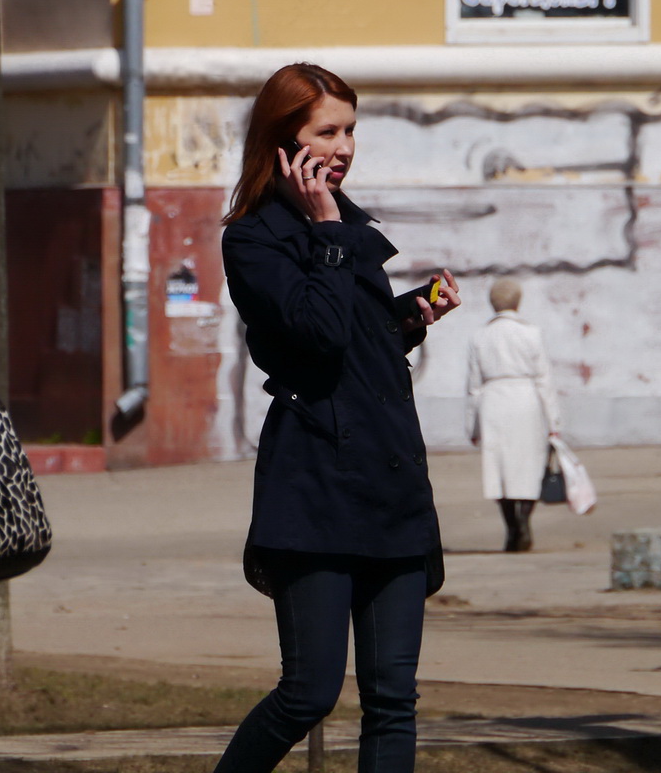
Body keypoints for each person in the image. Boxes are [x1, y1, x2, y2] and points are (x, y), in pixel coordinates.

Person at [217, 62, 460, 773]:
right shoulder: (253, 239)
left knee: (392, 698)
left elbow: (352, 339)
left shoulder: (347, 231)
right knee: (308, 692)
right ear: (283, 139)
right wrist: (326, 228)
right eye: (327, 131)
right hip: (314, 487)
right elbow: (314, 335)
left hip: (388, 487)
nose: (344, 146)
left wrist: (410, 316)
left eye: (350, 130)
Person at [465, 277, 560, 552]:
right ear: (518, 300)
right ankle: (524, 520)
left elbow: (473, 387)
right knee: (529, 466)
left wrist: (472, 427)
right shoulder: (532, 333)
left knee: (499, 469)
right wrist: (554, 421)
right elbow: (545, 380)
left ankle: (511, 528)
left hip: (493, 402)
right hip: (526, 399)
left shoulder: (479, 336)